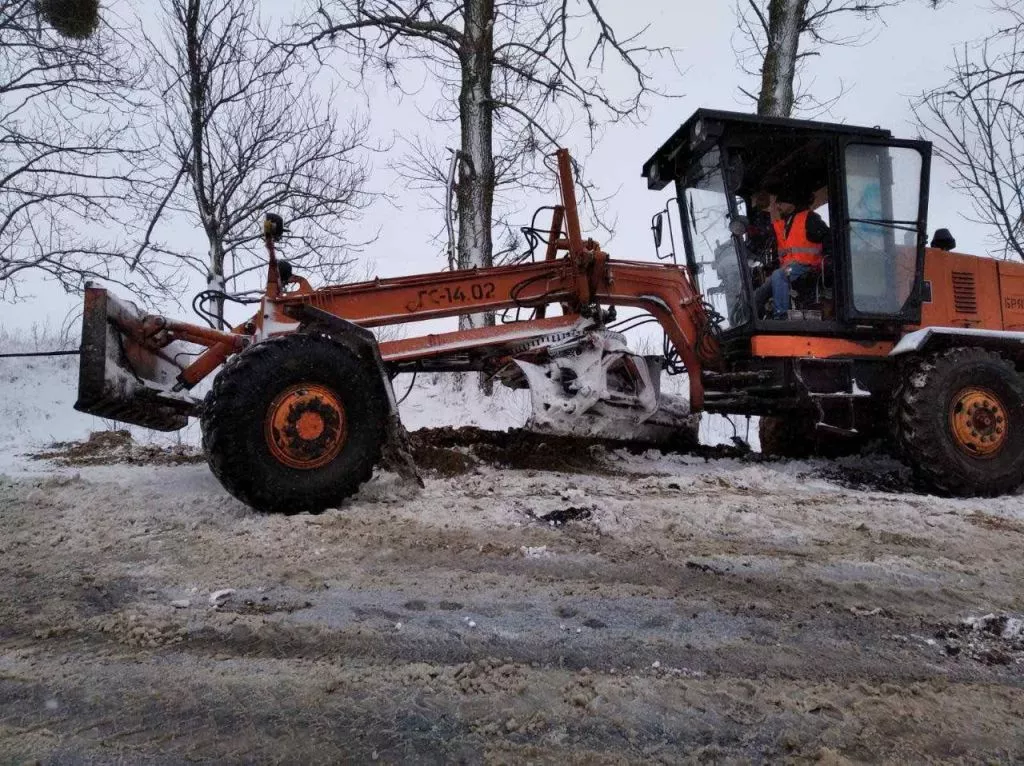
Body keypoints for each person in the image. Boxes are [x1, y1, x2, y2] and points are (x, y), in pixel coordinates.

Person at [754, 191, 831, 319]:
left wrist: (828, 260)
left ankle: (781, 316)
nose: (778, 206)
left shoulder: (809, 218)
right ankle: (755, 315)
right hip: (791, 268)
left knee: (778, 275)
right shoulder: (787, 222)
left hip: (807, 266)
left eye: (781, 203)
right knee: (762, 289)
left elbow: (828, 238)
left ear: (791, 204)